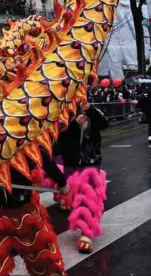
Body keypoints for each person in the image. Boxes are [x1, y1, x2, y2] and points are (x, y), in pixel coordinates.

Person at [58, 100, 109, 253]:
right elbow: (59, 137)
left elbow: (104, 124)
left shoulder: (91, 110)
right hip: (71, 163)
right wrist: (74, 125)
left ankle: (86, 232)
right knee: (74, 196)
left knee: (89, 197)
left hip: (91, 162)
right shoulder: (62, 112)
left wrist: (90, 110)